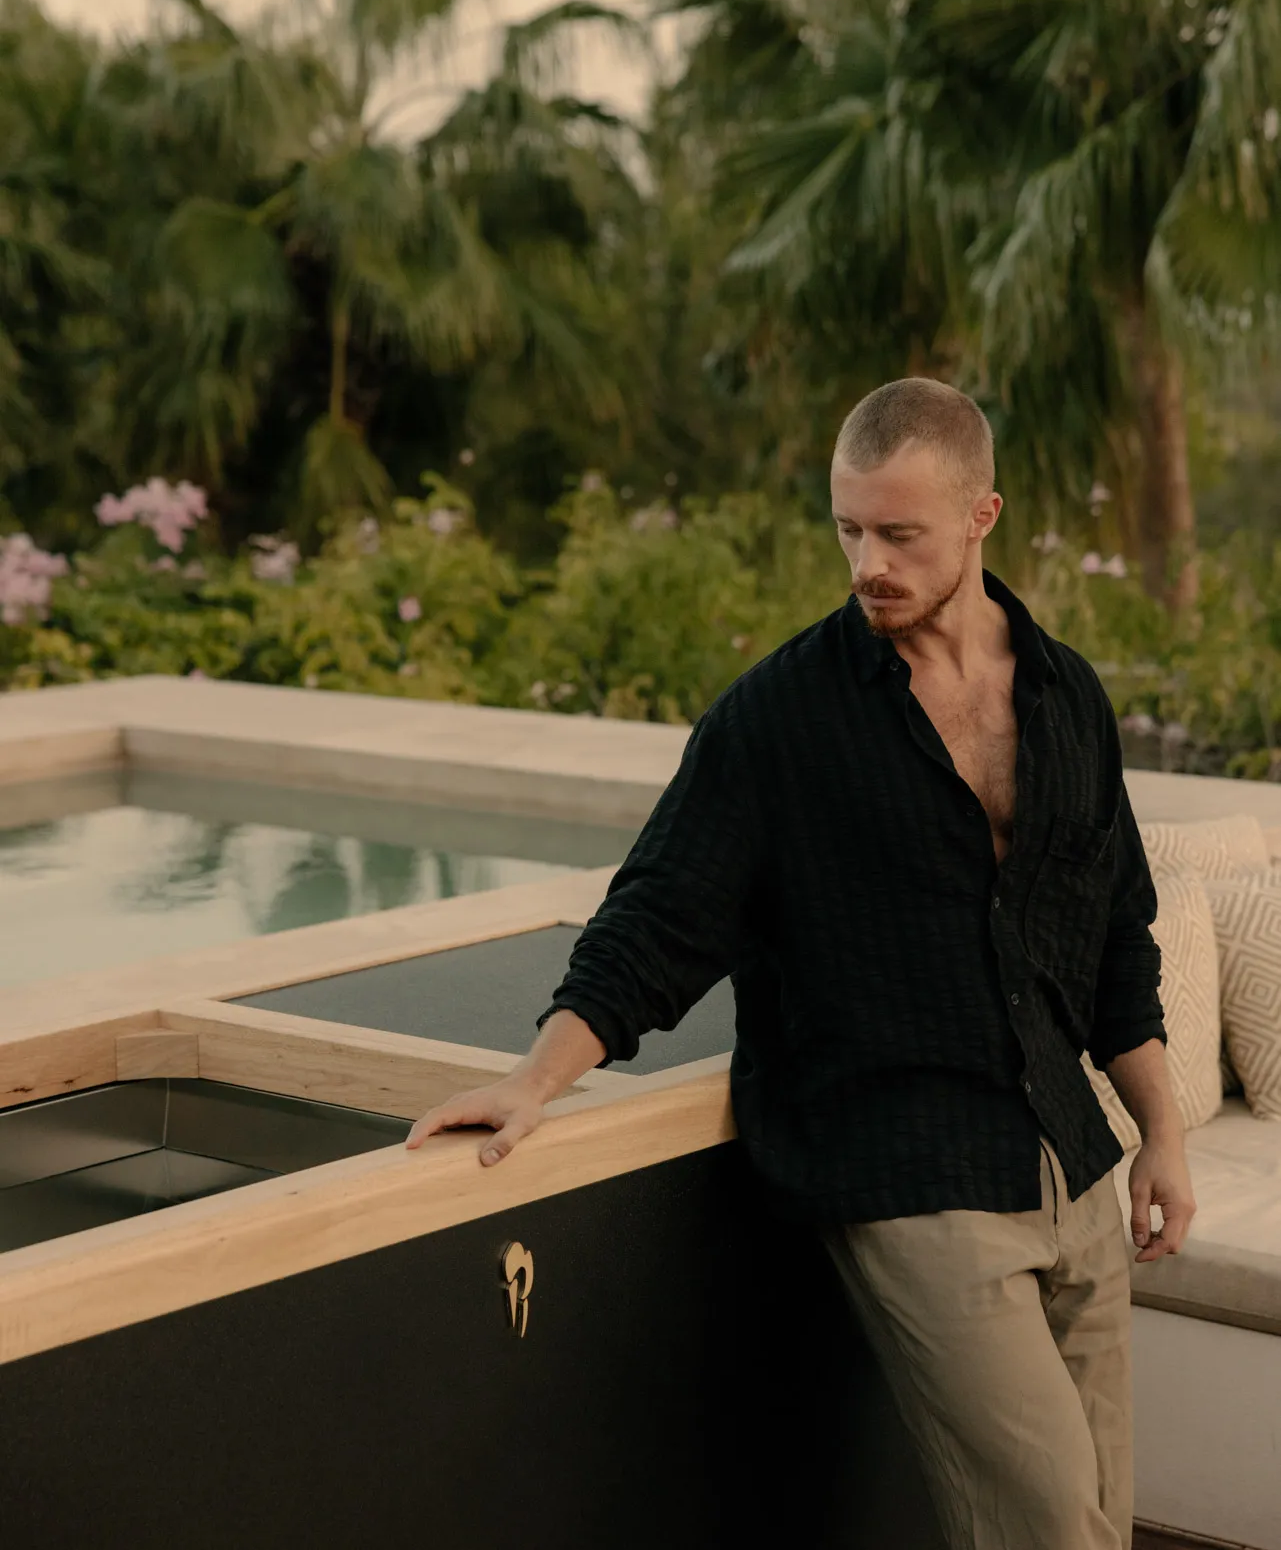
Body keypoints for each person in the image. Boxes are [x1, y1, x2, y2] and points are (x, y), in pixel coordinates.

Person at [406, 377, 1196, 1550]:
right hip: (907, 1174)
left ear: (983, 517)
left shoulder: (1067, 695)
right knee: (1047, 1529)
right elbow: (655, 922)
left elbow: (1115, 934)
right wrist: (534, 1080)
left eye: (898, 533)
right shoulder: (777, 721)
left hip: (1071, 1161)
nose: (866, 561)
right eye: (847, 528)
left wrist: (1163, 1139)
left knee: (1097, 1520)